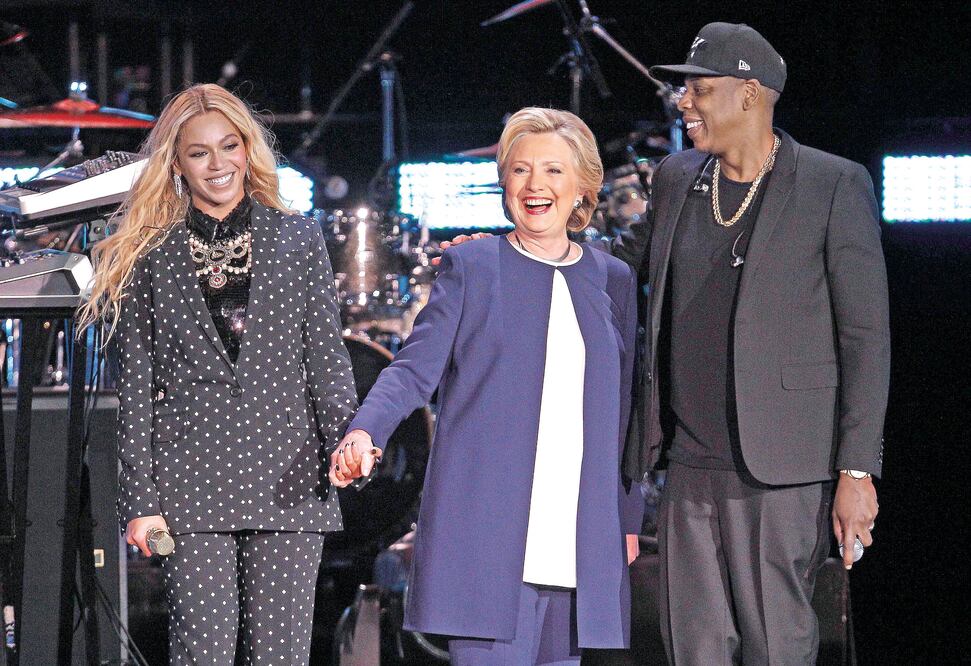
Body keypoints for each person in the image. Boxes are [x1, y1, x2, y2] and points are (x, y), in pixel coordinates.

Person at [444, 22, 890, 665]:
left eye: (699, 90)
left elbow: (866, 339)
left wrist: (856, 471)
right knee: (694, 646)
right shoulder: (678, 177)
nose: (684, 103)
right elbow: (613, 266)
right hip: (687, 464)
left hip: (783, 469)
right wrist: (500, 256)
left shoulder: (831, 185)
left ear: (749, 95)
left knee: (777, 643)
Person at [333, 107, 643, 665]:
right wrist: (365, 429)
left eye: (552, 171)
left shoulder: (611, 278)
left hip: (577, 537)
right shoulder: (472, 266)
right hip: (488, 536)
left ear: (582, 188)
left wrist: (625, 517)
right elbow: (411, 369)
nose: (535, 185)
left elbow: (623, 414)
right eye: (520, 170)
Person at [79, 83, 358, 664]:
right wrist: (140, 499)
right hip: (189, 481)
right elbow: (134, 388)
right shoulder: (147, 251)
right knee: (200, 652)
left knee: (279, 655)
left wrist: (351, 441)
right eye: (199, 152)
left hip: (290, 476)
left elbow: (328, 364)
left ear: (248, 149)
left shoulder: (298, 238)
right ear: (176, 164)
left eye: (229, 146)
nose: (218, 164)